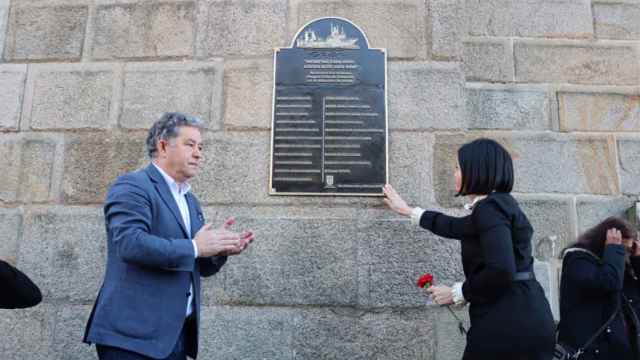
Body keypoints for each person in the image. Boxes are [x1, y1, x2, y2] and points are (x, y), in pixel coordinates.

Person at [83, 112, 254, 360]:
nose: (199, 153)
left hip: (175, 337)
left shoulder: (190, 200)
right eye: (190, 145)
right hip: (132, 338)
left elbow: (196, 265)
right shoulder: (132, 186)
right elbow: (130, 244)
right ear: (163, 146)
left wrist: (218, 250)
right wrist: (196, 247)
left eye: (201, 147)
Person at [383, 138, 555, 360]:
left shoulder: (490, 209)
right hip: (526, 317)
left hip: (508, 322)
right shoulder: (499, 205)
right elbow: (455, 226)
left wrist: (458, 292)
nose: (454, 173)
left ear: (476, 169)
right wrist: (408, 211)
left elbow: (501, 270)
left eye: (458, 167)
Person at [558, 217, 640, 360]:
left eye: (626, 250)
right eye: (622, 249)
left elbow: (634, 295)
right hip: (589, 349)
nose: (624, 254)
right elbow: (608, 282)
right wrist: (614, 249)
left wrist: (637, 259)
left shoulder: (615, 263)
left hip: (617, 349)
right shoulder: (577, 259)